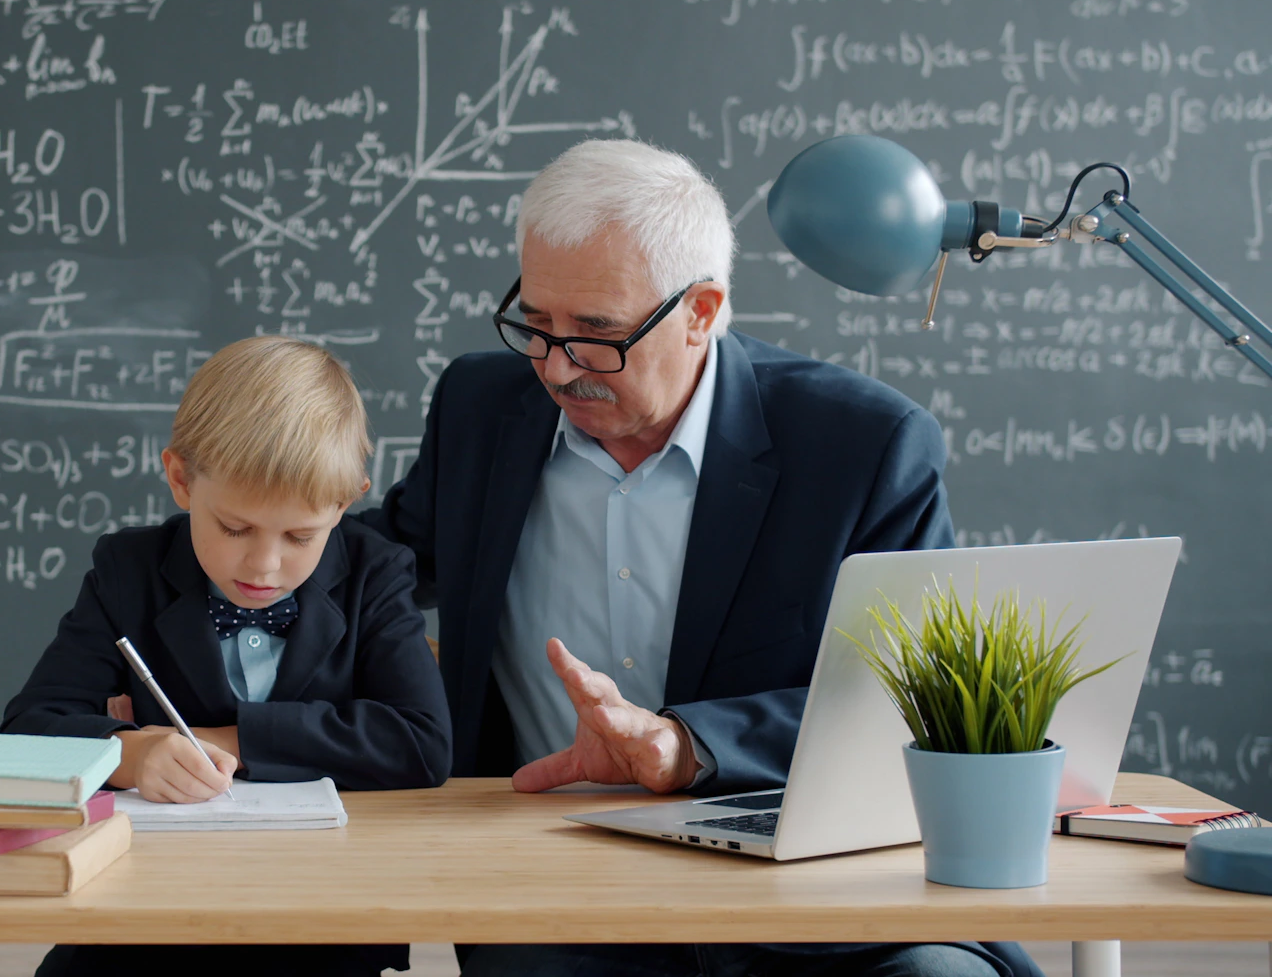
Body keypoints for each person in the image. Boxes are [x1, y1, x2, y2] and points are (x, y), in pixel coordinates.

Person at [360, 140, 1040, 977]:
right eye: (535, 324)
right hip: (557, 888)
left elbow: (913, 700)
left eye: (598, 334)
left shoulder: (865, 446)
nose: (558, 366)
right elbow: (371, 570)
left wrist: (689, 746)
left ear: (702, 310)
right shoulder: (480, 407)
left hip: (811, 892)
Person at [4, 335, 450, 977]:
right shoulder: (127, 571)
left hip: (325, 928)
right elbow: (26, 732)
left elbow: (421, 744)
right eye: (235, 528)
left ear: (347, 500)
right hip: (139, 928)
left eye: (301, 536)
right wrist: (130, 754)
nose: (265, 566)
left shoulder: (376, 573)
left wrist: (228, 739)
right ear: (181, 480)